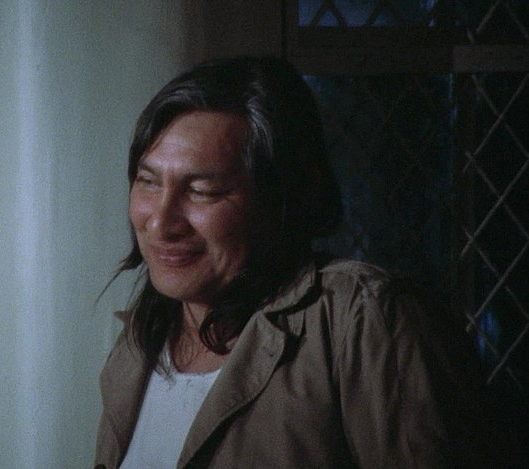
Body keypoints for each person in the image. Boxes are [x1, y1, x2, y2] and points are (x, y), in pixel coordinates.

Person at [94, 57, 490, 468]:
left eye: (202, 191)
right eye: (148, 182)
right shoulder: (140, 341)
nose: (160, 222)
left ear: (282, 199)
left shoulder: (362, 321)